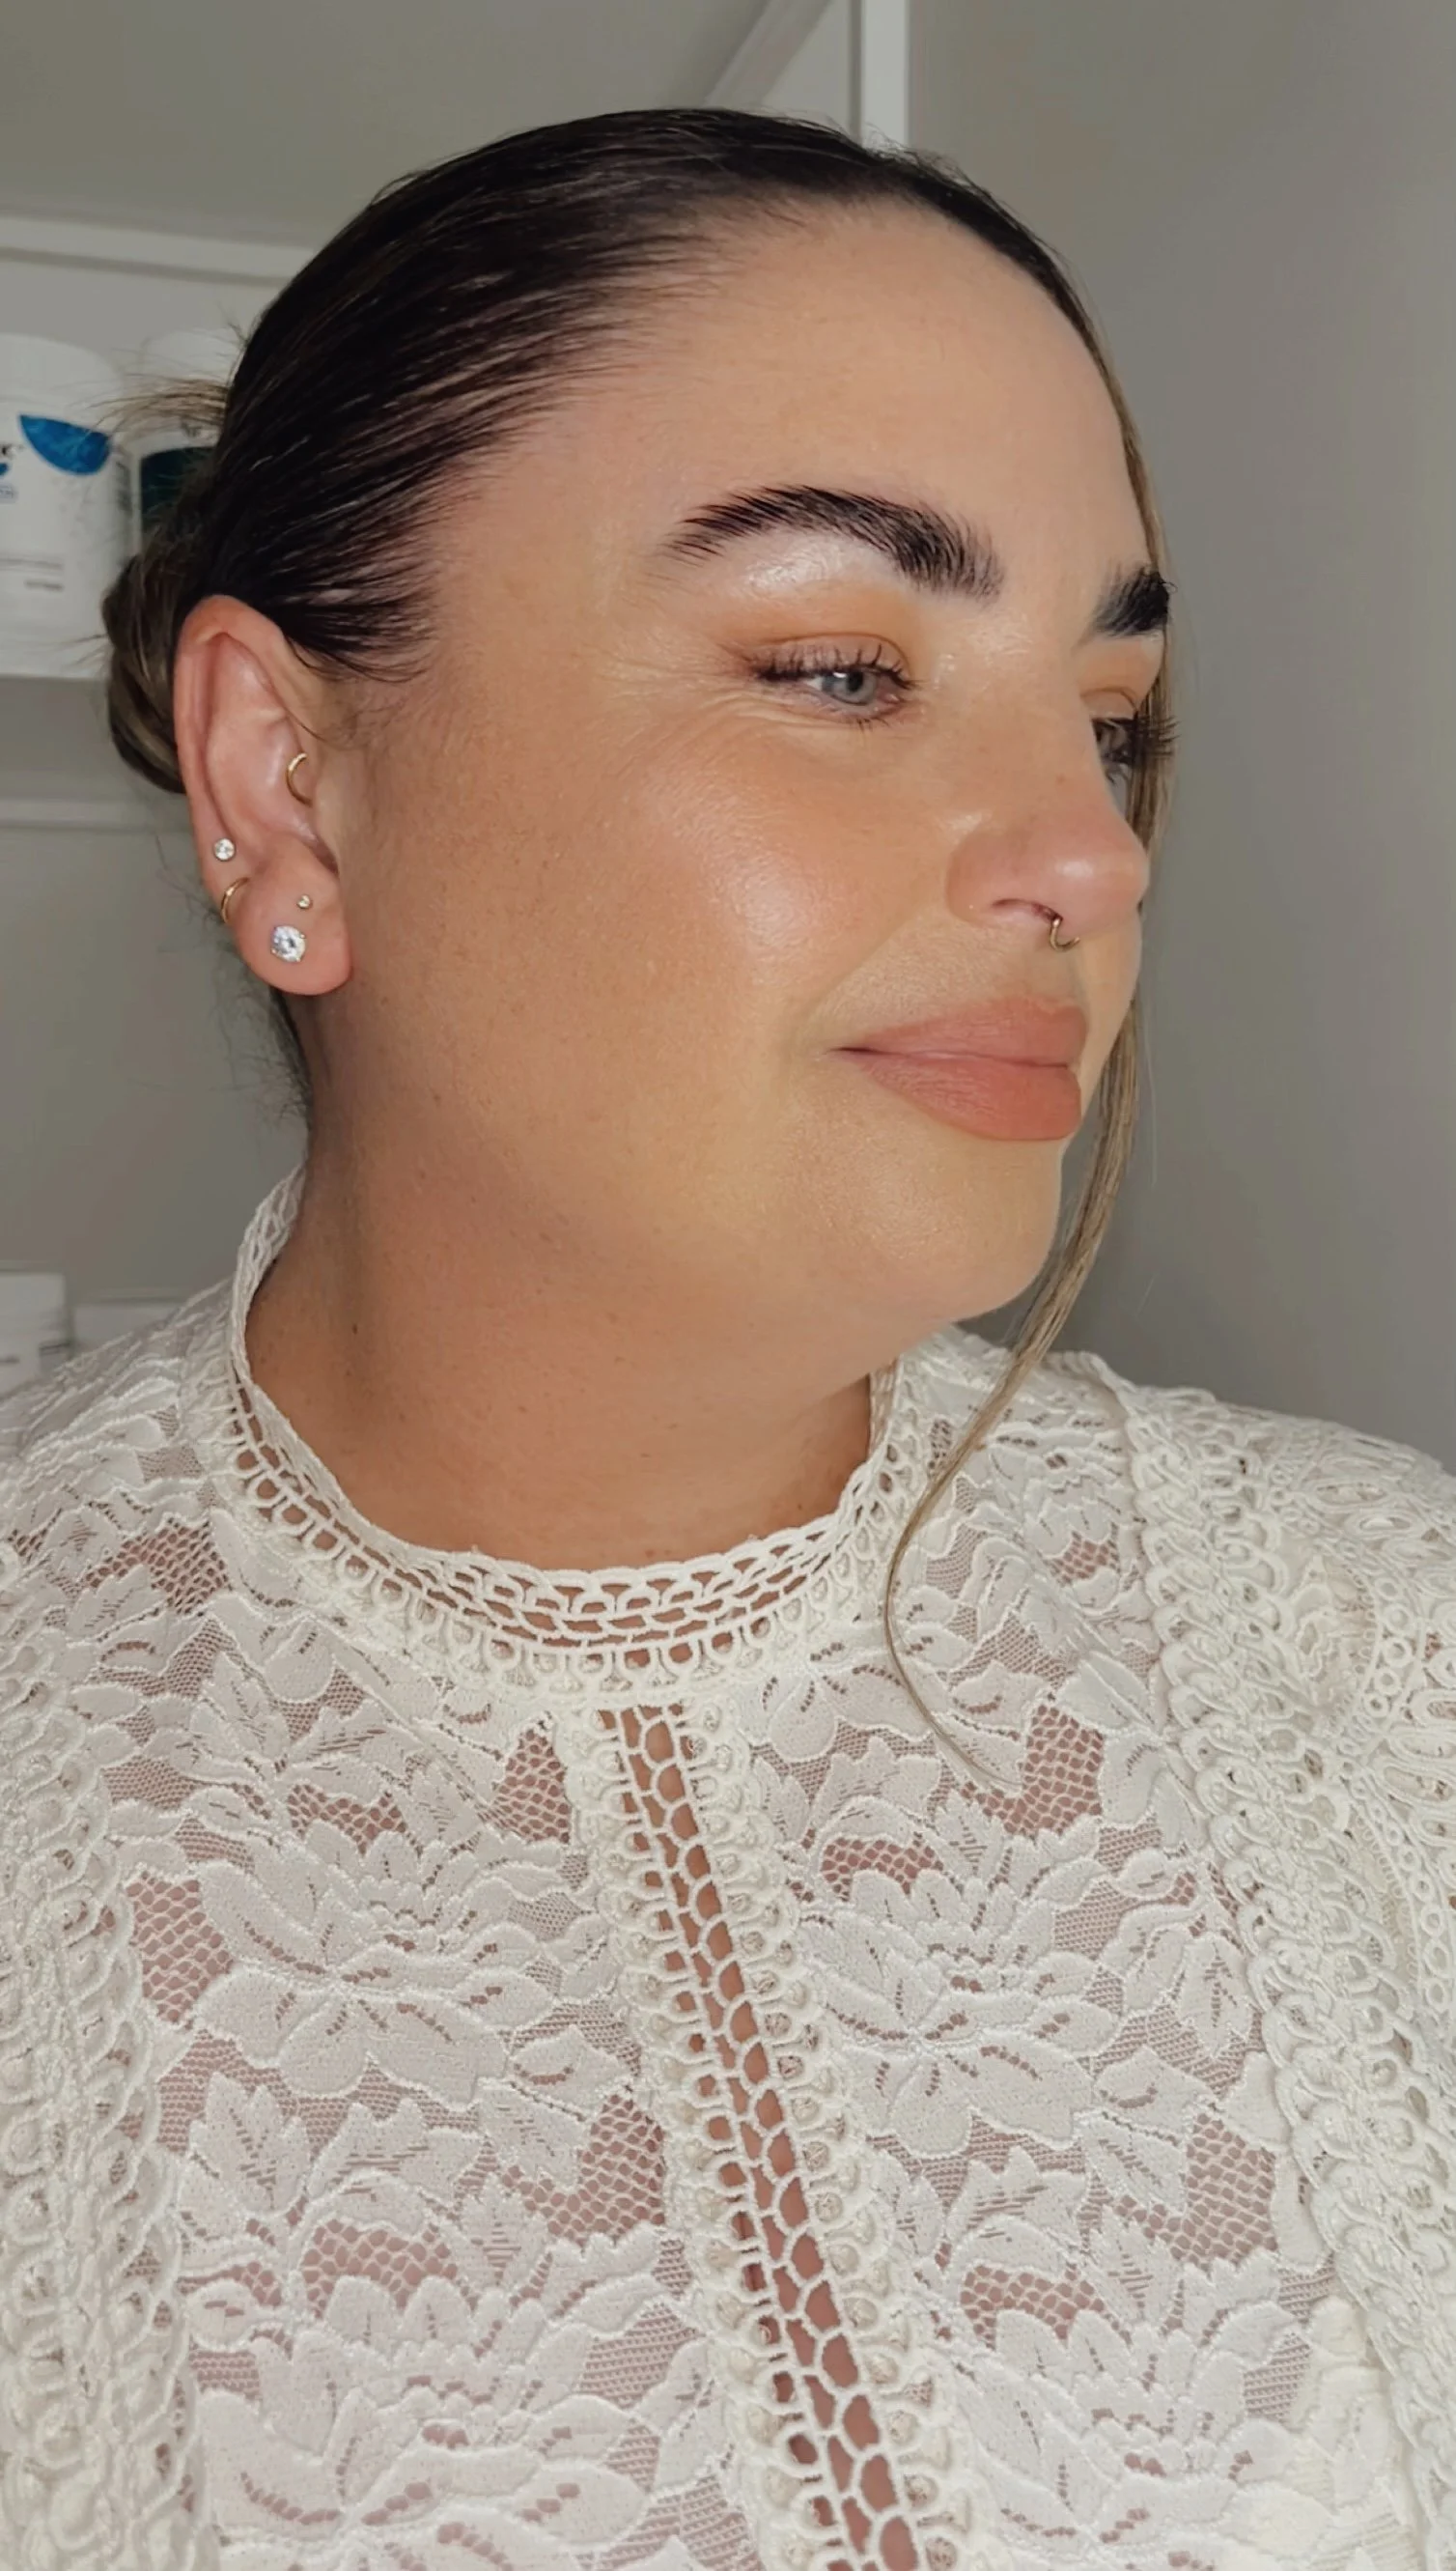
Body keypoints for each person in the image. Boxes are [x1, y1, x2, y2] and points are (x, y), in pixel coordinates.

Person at [1, 106, 1451, 2571]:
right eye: (838, 664)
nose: (1089, 854)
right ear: (290, 780)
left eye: (1110, 717)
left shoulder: (1391, 1642)